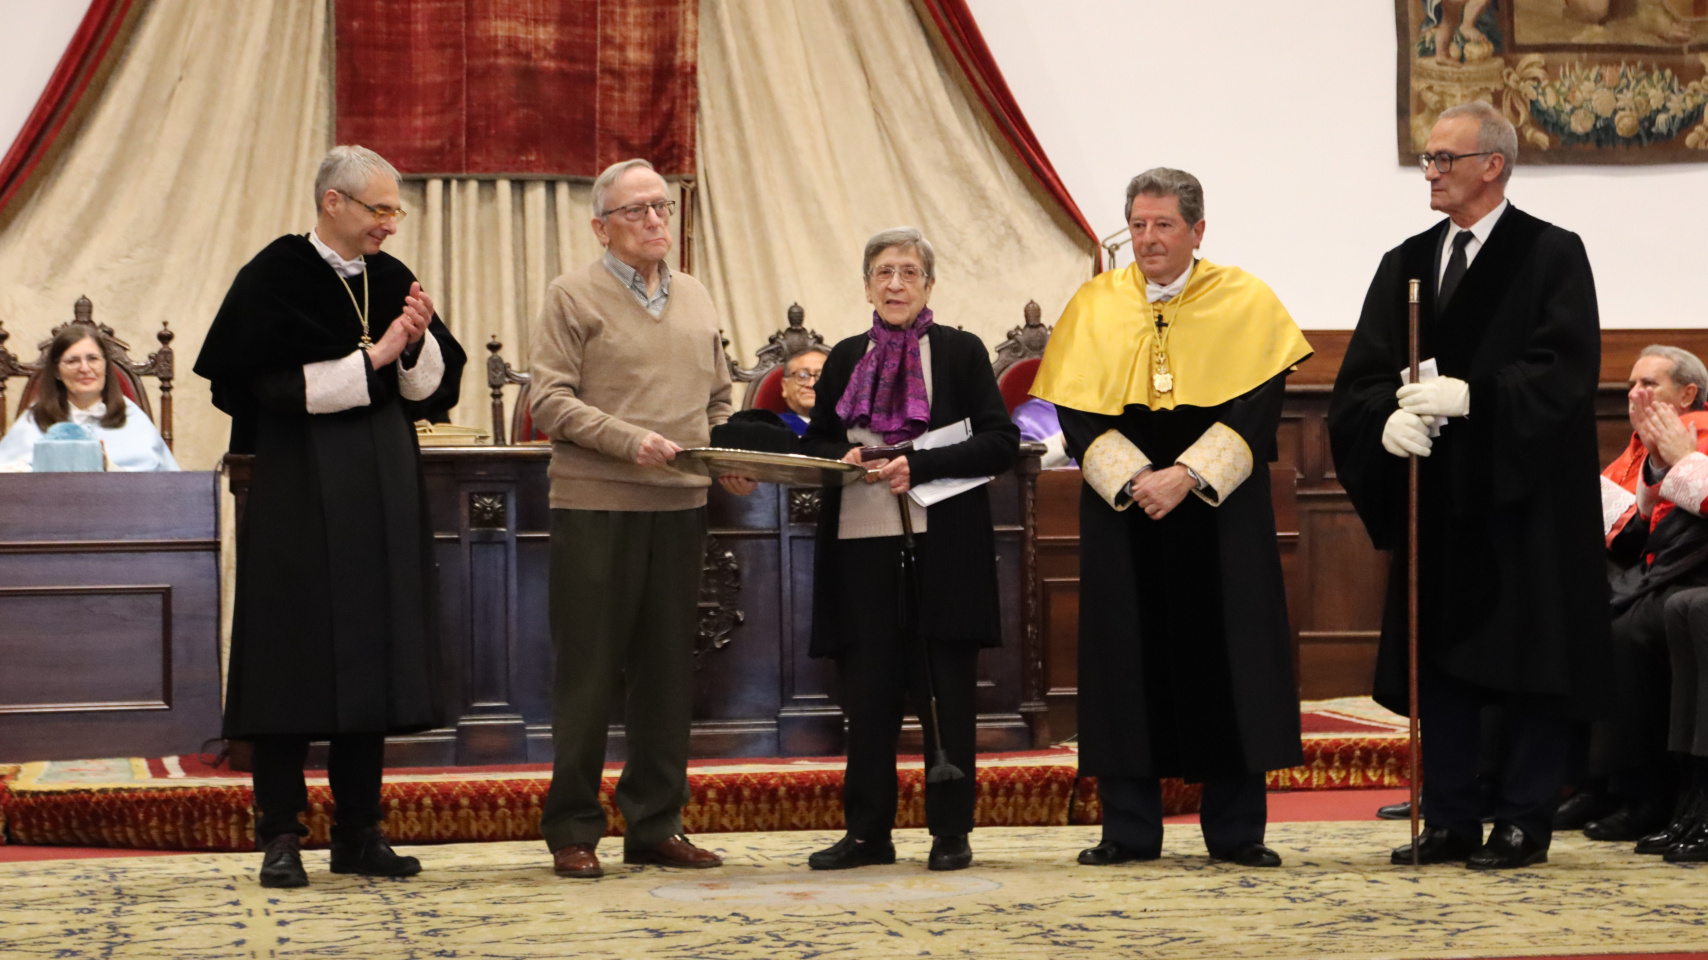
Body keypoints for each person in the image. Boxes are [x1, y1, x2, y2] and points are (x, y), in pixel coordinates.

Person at [1328, 101, 1610, 869]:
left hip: (1526, 505)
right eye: (1428, 158)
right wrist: (1384, 420)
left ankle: (1522, 820)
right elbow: (1362, 377)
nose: (1430, 172)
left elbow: (1565, 372)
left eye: (1443, 159)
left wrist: (1476, 397)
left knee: (1531, 665)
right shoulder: (1407, 262)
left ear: (1494, 164)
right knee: (1441, 662)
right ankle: (1449, 817)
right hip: (1438, 500)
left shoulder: (1550, 254)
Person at [194, 145, 466, 889]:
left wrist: (414, 345)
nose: (390, 225)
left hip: (381, 481)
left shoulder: (392, 277)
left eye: (395, 211)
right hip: (298, 482)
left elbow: (430, 389)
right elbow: (270, 387)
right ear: (333, 202)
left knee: (371, 651)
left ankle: (360, 832)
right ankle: (281, 833)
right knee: (289, 655)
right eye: (379, 209)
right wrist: (375, 357)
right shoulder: (274, 275)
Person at [1031, 169, 1312, 869]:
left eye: (1163, 225)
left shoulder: (1246, 300)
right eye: (1139, 225)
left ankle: (1237, 831)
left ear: (1197, 230)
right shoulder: (1094, 305)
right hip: (1125, 511)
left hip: (1219, 510)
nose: (1149, 239)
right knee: (1123, 661)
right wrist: (1136, 480)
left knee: (1233, 658)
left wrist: (1186, 476)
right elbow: (1077, 410)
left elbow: (1258, 408)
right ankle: (1127, 830)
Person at [529, 158, 751, 880]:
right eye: (637, 210)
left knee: (666, 676)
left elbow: (717, 400)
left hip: (680, 508)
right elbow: (548, 401)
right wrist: (629, 441)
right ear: (602, 228)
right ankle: (573, 829)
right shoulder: (570, 295)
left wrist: (728, 456)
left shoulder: (696, 294)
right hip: (597, 506)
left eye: (661, 207)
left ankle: (656, 824)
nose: (656, 219)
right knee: (588, 676)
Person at [800, 227, 1018, 872]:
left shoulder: (960, 352)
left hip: (943, 548)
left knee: (946, 693)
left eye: (909, 272)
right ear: (867, 286)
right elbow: (814, 444)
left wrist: (917, 464)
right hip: (859, 547)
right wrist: (841, 455)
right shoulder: (844, 356)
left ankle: (950, 832)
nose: (895, 284)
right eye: (883, 273)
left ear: (929, 284)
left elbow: (1000, 441)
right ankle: (868, 833)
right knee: (867, 696)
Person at [1579, 347, 1708, 845]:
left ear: (1688, 394)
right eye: (1632, 383)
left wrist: (1678, 459)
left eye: (1648, 384)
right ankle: (1608, 787)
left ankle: (1652, 794)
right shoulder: (1650, 441)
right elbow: (1642, 517)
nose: (1634, 394)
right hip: (1664, 568)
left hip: (1685, 571)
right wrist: (1659, 463)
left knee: (1636, 623)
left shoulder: (1695, 428)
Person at [0, 326, 178, 472]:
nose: (85, 368)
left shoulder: (133, 418)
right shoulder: (35, 418)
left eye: (93, 359)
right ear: (57, 371)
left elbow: (164, 486)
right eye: (72, 361)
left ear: (106, 366)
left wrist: (109, 468)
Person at [777, 349, 826, 436]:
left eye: (821, 376)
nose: (812, 384)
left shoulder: (848, 431)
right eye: (802, 376)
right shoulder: (771, 429)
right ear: (785, 386)